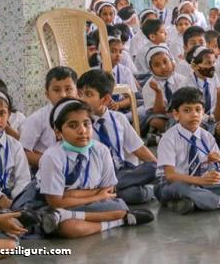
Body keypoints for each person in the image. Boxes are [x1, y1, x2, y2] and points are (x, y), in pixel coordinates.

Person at [37, 99, 154, 237]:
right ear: (58, 132)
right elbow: (55, 201)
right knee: (70, 227)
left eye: (86, 124)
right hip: (55, 206)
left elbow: (108, 190)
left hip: (82, 205)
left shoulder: (101, 150)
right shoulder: (52, 156)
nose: (82, 131)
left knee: (118, 207)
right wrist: (96, 195)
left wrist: (70, 194)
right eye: (72, 126)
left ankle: (64, 216)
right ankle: (121, 220)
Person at [154, 88, 220, 215]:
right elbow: (170, 176)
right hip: (170, 184)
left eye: (198, 110)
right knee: (181, 187)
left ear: (203, 113)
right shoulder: (169, 138)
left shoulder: (207, 137)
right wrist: (200, 181)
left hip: (200, 182)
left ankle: (191, 201)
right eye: (187, 110)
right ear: (176, 114)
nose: (194, 114)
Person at [77, 70, 157, 205]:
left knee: (154, 167)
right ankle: (149, 190)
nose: (82, 99)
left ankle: (113, 191)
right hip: (98, 177)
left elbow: (138, 148)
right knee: (132, 194)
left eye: (88, 94)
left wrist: (160, 169)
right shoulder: (80, 125)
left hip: (122, 171)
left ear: (105, 99)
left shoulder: (119, 119)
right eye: (80, 94)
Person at [21, 67, 78, 169]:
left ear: (77, 91)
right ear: (47, 94)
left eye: (68, 89)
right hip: (47, 171)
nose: (63, 95)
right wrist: (51, 163)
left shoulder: (84, 115)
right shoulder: (37, 118)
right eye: (56, 90)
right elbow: (23, 151)